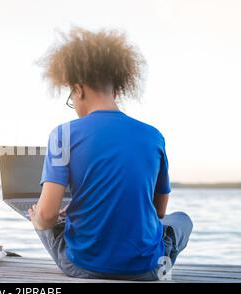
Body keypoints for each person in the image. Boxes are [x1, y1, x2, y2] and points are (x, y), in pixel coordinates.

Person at [28, 27, 193, 281]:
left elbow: (49, 215)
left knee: (38, 216)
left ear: (78, 89)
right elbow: (159, 212)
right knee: (181, 219)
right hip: (147, 270)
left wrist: (39, 217)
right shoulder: (153, 136)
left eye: (72, 97)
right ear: (116, 90)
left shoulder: (62, 135)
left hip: (82, 267)